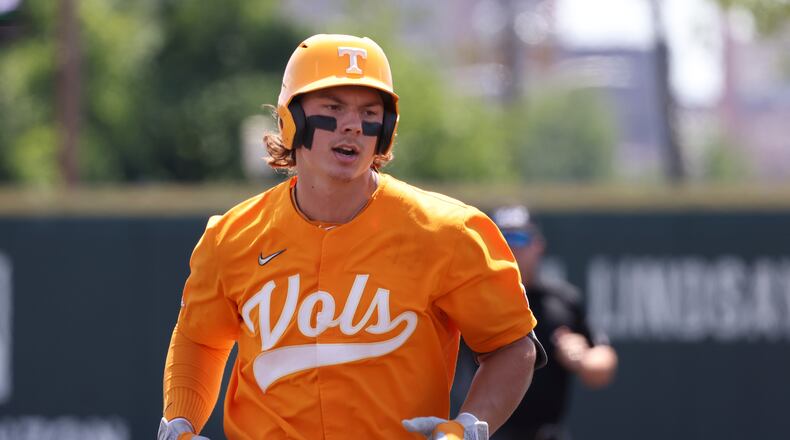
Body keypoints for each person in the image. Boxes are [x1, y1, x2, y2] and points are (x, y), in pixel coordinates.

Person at [157, 34, 546, 440]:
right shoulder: (232, 236)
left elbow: (511, 346)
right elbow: (199, 339)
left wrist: (467, 429)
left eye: (369, 111)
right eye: (333, 107)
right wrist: (180, 422)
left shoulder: (448, 231)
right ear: (292, 119)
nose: (353, 125)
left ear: (387, 127)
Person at [490, 205, 618, 440]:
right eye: (502, 238)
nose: (512, 247)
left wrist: (582, 357)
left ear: (538, 245)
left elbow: (602, 365)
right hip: (486, 432)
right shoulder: (475, 299)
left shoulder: (562, 301)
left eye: (519, 237)